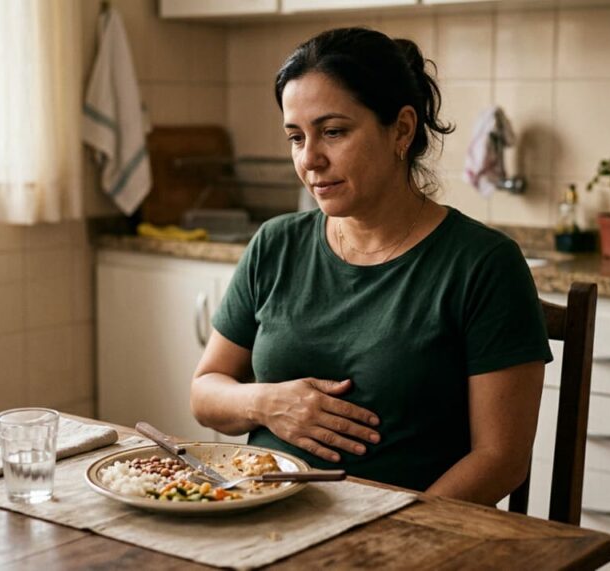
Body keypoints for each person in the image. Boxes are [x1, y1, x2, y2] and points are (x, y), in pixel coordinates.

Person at [189, 27, 552, 506]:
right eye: (296, 137)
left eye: (333, 132)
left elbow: (500, 458)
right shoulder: (276, 243)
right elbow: (205, 393)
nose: (310, 159)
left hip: (407, 537)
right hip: (261, 519)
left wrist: (396, 532)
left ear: (402, 129)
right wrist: (267, 402)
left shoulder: (483, 264)